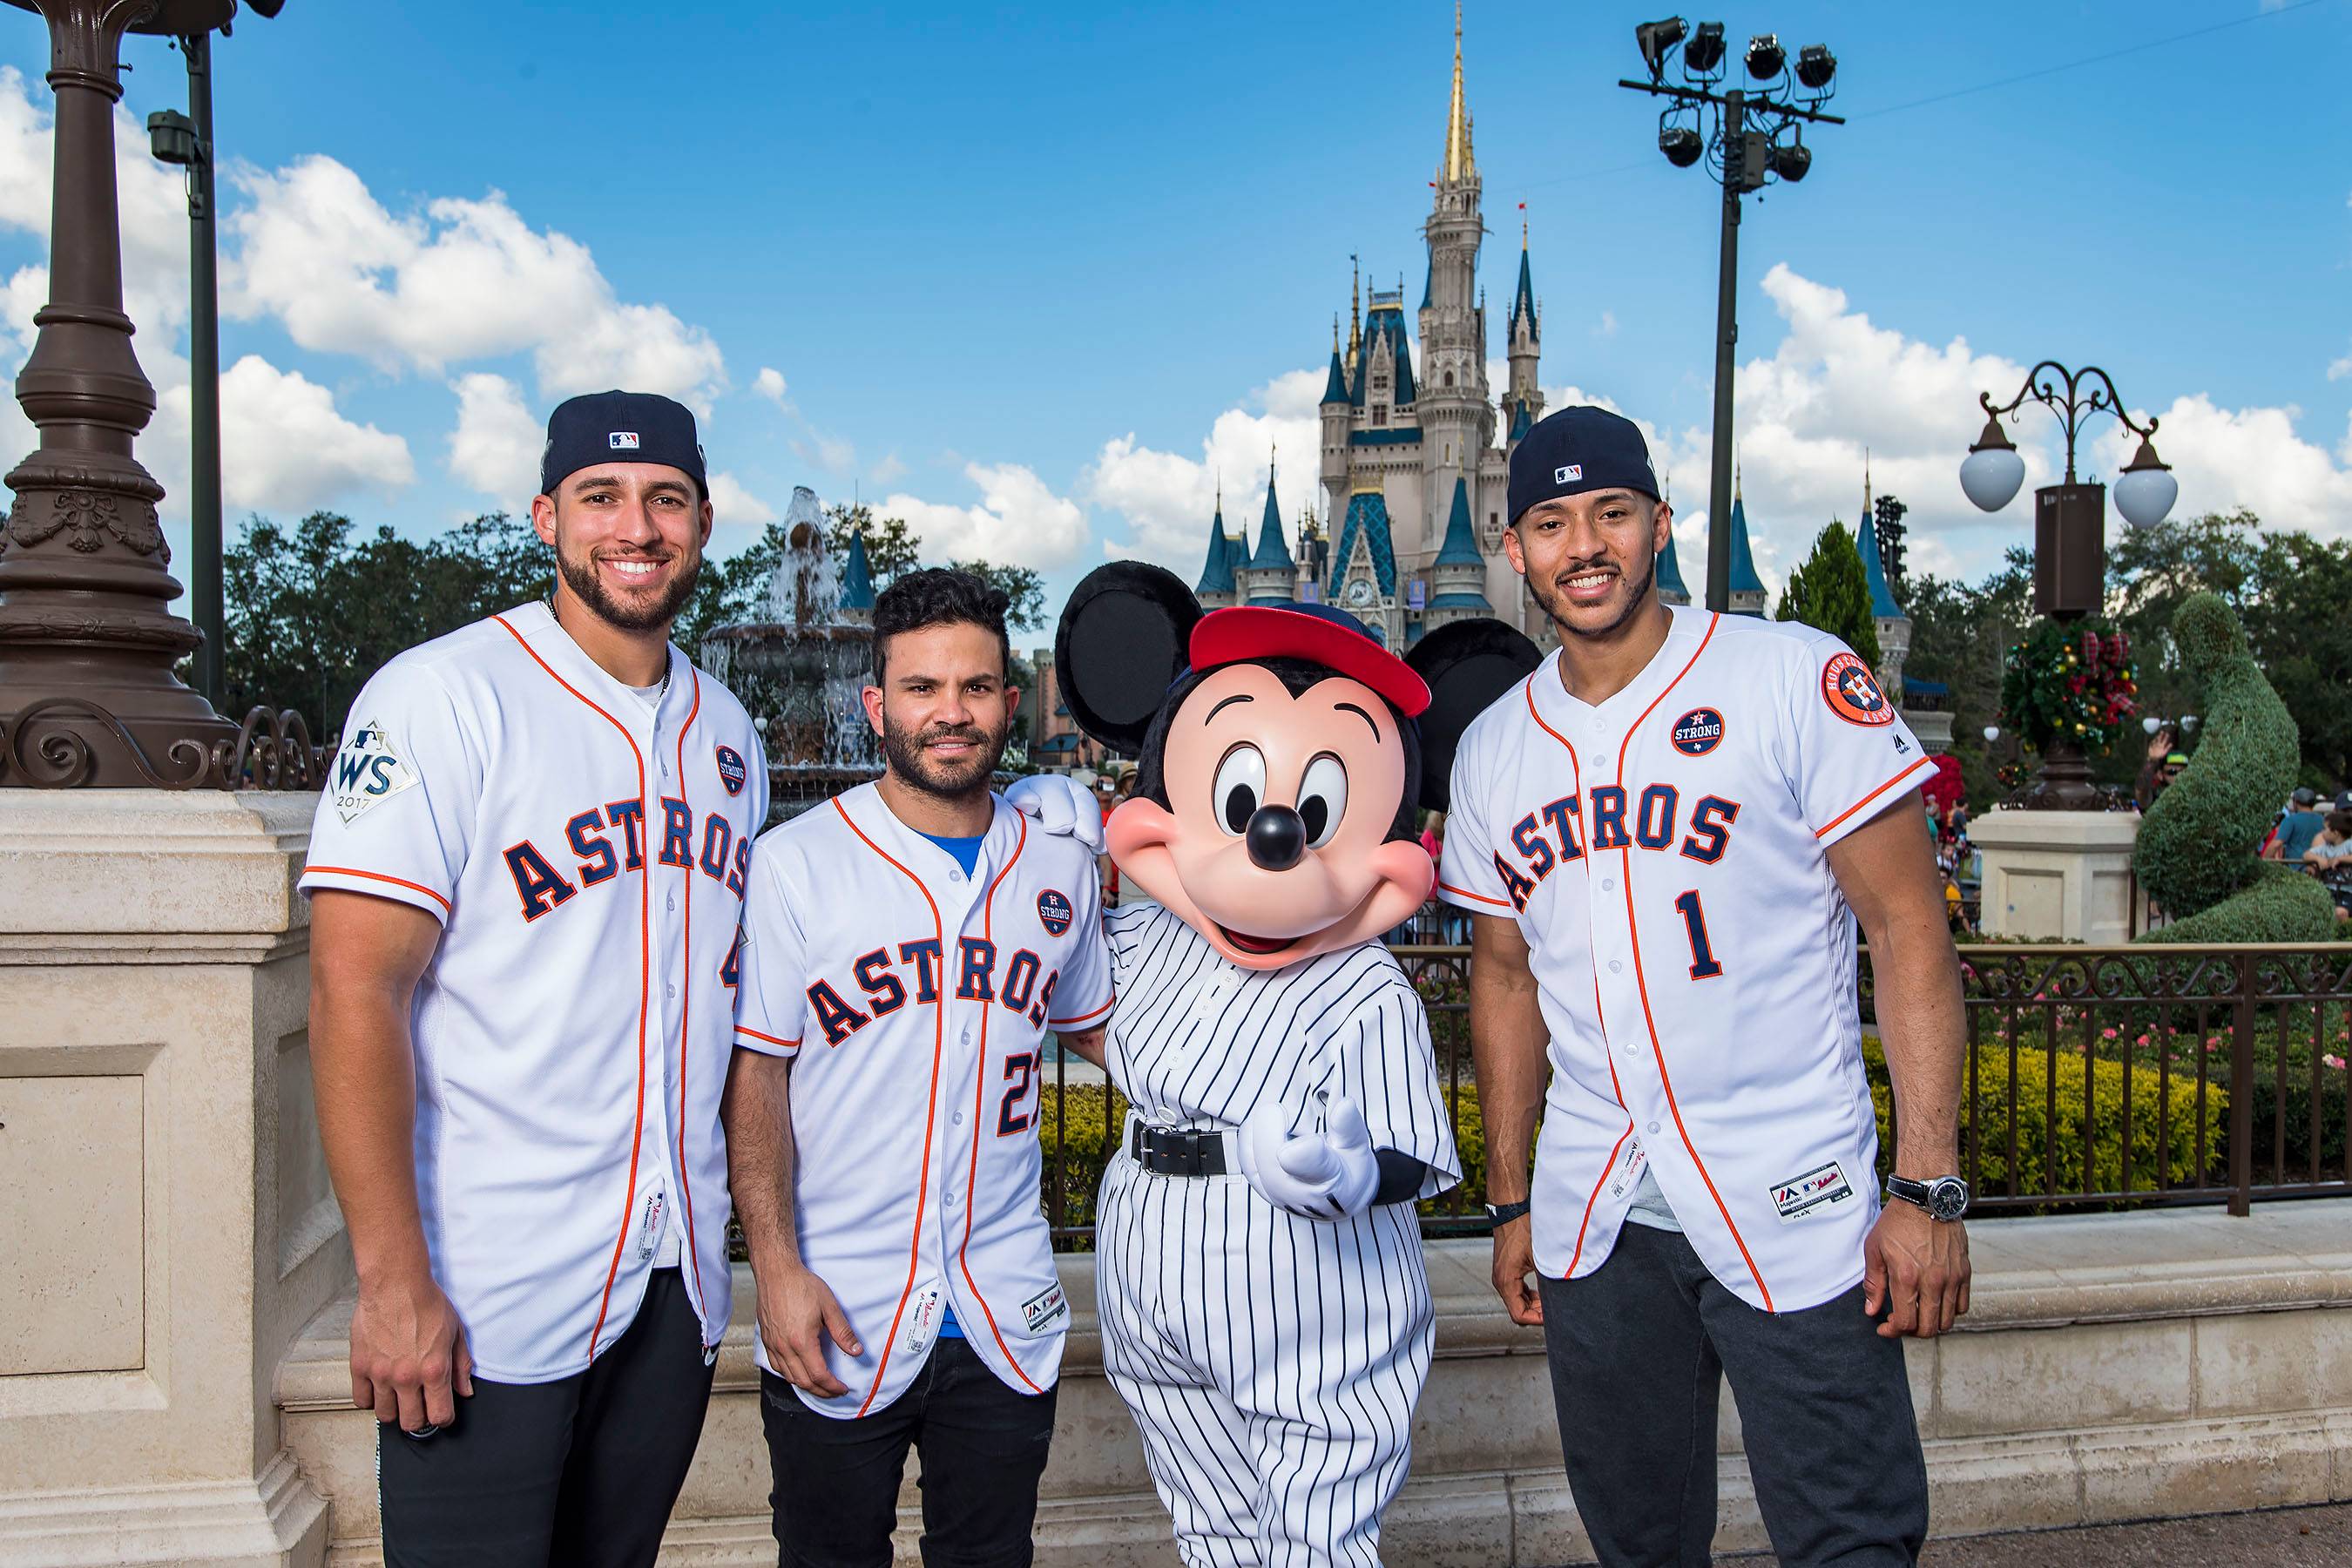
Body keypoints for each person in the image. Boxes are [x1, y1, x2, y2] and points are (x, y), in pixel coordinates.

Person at [1436, 406, 1970, 1567]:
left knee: (1853, 1539)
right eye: (1551, 520)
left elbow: (1909, 932)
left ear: (1659, 526)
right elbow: (1505, 976)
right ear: (1512, 543)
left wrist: (1928, 1190)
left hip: (1798, 1199)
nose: (1585, 545)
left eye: (1612, 514)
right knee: (1638, 1543)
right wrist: (1514, 1198)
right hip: (1599, 1216)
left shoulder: (1791, 676)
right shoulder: (1493, 749)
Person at [301, 391, 766, 1566]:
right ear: (546, 517)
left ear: (703, 523)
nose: (636, 528)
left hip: (672, 1280)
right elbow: (356, 991)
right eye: (601, 499)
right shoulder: (440, 694)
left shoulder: (729, 729)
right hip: (487, 1286)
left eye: (666, 499)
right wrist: (392, 1285)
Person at [725, 570, 1114, 1568]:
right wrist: (774, 1270)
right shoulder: (797, 862)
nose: (952, 713)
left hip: (1000, 1302)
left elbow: (1101, 1033)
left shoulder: (1059, 859)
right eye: (923, 689)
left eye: (977, 688)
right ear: (876, 707)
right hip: (839, 1302)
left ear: (1009, 703)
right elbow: (756, 1077)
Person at [2267, 787, 2325, 861]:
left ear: (2296, 802)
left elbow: (2276, 844)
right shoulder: (2323, 820)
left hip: (2295, 866)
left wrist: (2262, 860)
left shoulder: (2290, 820)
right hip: (2316, 865)